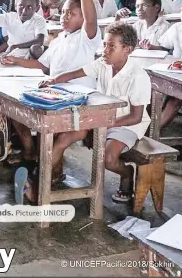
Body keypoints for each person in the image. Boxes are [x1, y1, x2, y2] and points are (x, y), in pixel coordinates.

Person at [16, 22, 151, 204]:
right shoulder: (102, 63)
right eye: (104, 44)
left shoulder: (138, 76)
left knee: (108, 158)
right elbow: (74, 74)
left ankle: (127, 173)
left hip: (126, 124)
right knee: (64, 136)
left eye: (112, 46)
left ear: (127, 49)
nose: (105, 50)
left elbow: (135, 116)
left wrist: (105, 123)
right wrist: (53, 81)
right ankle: (39, 183)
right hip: (100, 117)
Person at [0, 0, 100, 163]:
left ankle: (45, 173)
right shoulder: (59, 39)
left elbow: (91, 19)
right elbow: (42, 66)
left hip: (76, 98)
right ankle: (30, 152)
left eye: (71, 13)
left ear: (82, 18)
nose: (64, 16)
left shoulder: (86, 38)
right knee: (15, 108)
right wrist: (15, 60)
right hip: (56, 92)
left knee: (54, 138)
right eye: (63, 12)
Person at [143, 0, 182, 174]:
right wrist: (152, 48)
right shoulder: (177, 29)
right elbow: (164, 47)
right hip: (179, 78)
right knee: (172, 101)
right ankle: (148, 136)